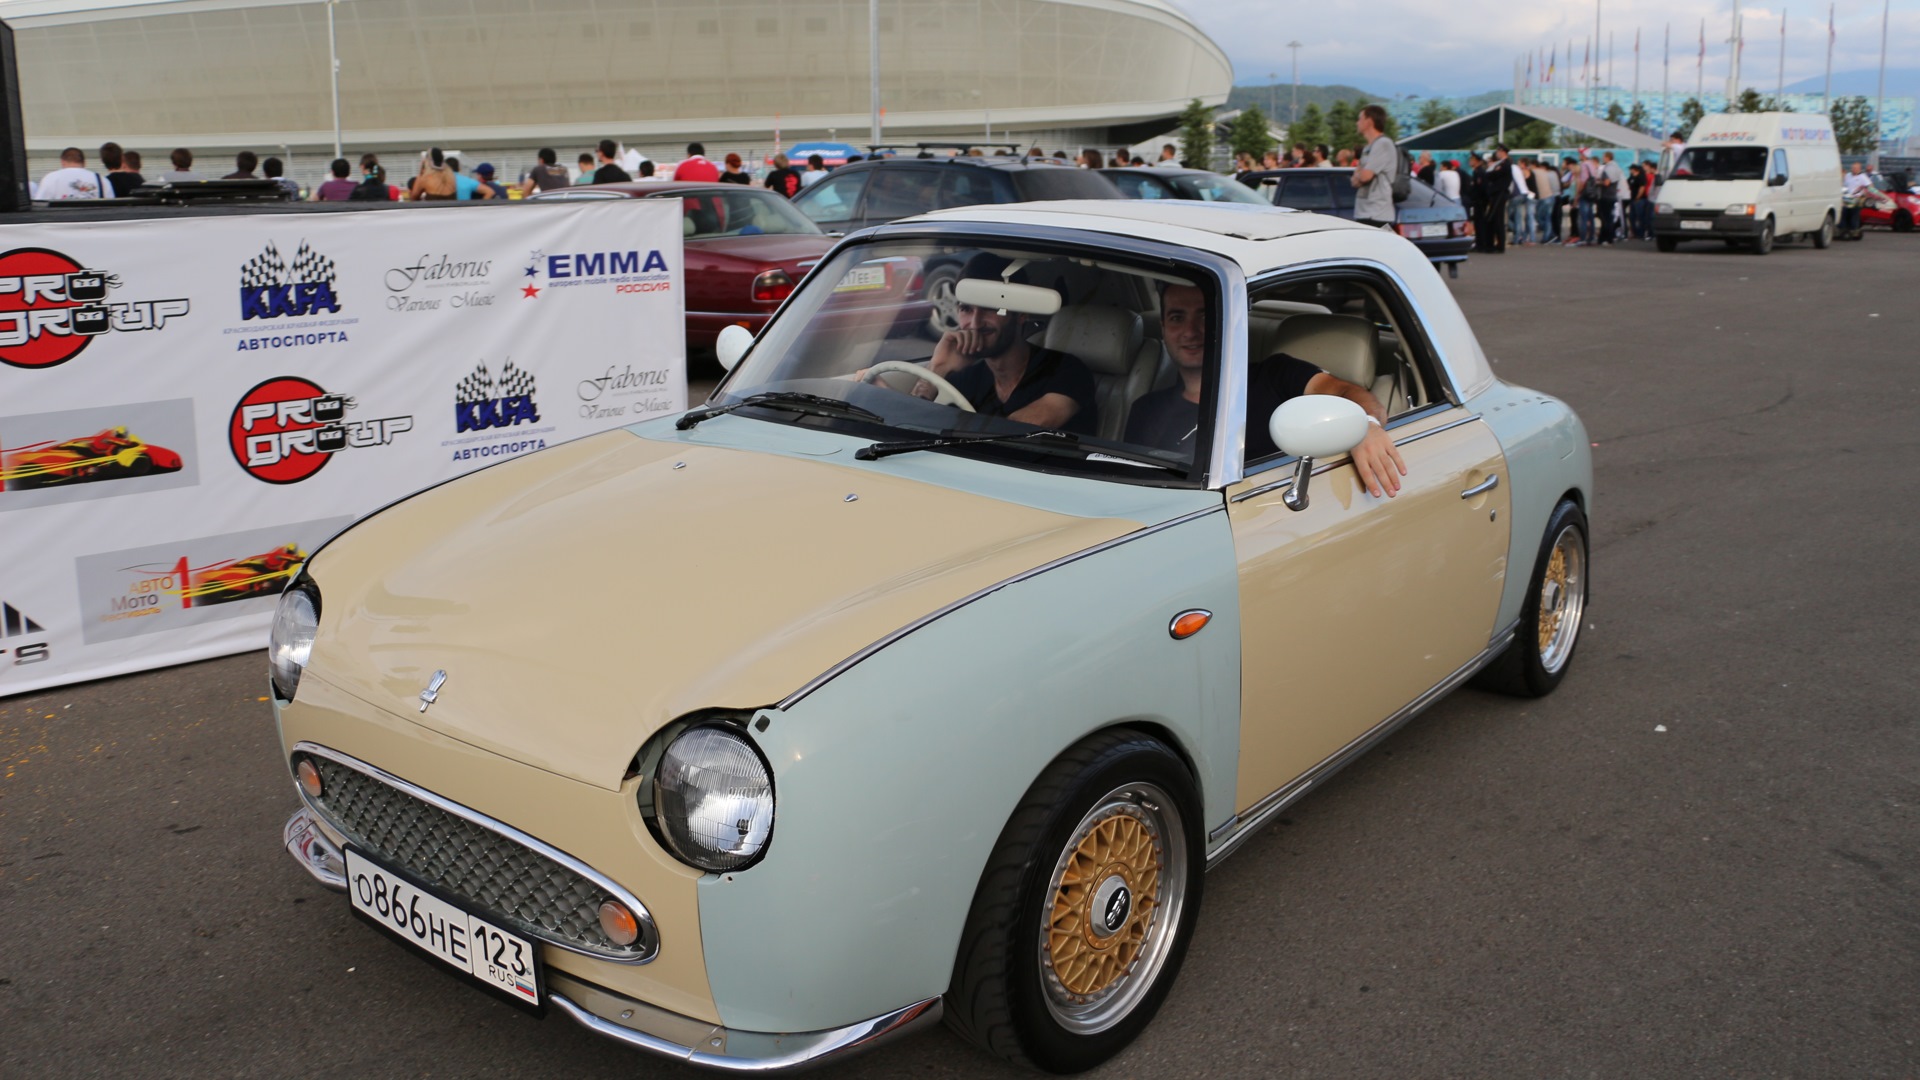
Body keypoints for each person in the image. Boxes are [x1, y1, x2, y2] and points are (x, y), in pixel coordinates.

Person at [1126, 283, 1406, 496]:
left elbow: (1347, 393)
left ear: (1226, 322)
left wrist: (1364, 425)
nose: (1191, 330)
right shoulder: (1146, 410)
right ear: (1163, 328)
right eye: (1177, 318)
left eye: (1204, 315)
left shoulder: (1276, 375)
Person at [913, 253, 1098, 435]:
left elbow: (1015, 431)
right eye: (966, 309)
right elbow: (910, 422)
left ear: (1021, 314)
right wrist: (938, 368)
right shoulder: (965, 377)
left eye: (990, 308)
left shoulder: (1067, 371)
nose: (975, 323)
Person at [1349, 104, 1398, 229]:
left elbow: (1365, 176)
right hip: (1365, 212)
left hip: (1377, 214)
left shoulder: (1383, 144)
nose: (1357, 123)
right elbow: (1354, 181)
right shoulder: (1368, 147)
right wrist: (1360, 174)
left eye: (1360, 119)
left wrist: (1360, 173)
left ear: (1369, 121)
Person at [36, 147, 108, 200]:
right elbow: (111, 208)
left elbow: (39, 204)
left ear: (62, 162)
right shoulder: (101, 180)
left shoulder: (50, 178)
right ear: (84, 163)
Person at [1595, 151, 1624, 244]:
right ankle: (1610, 237)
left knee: (1605, 218)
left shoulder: (1607, 169)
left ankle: (1605, 238)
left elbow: (1607, 182)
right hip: (1613, 195)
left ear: (1607, 157)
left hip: (1605, 195)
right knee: (1610, 218)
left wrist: (1598, 183)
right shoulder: (1617, 168)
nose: (1603, 158)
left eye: (1603, 156)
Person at [1533, 154, 1561, 242]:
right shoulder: (1553, 173)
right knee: (1549, 218)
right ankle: (1549, 236)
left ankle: (1551, 234)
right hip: (1554, 196)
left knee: (1541, 218)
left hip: (1547, 197)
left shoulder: (1544, 174)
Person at [1507, 158, 1534, 245]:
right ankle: (1518, 237)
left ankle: (1518, 234)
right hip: (1524, 193)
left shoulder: (1509, 169)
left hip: (1516, 195)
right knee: (1518, 218)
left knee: (1506, 217)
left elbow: (1510, 183)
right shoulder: (1516, 168)